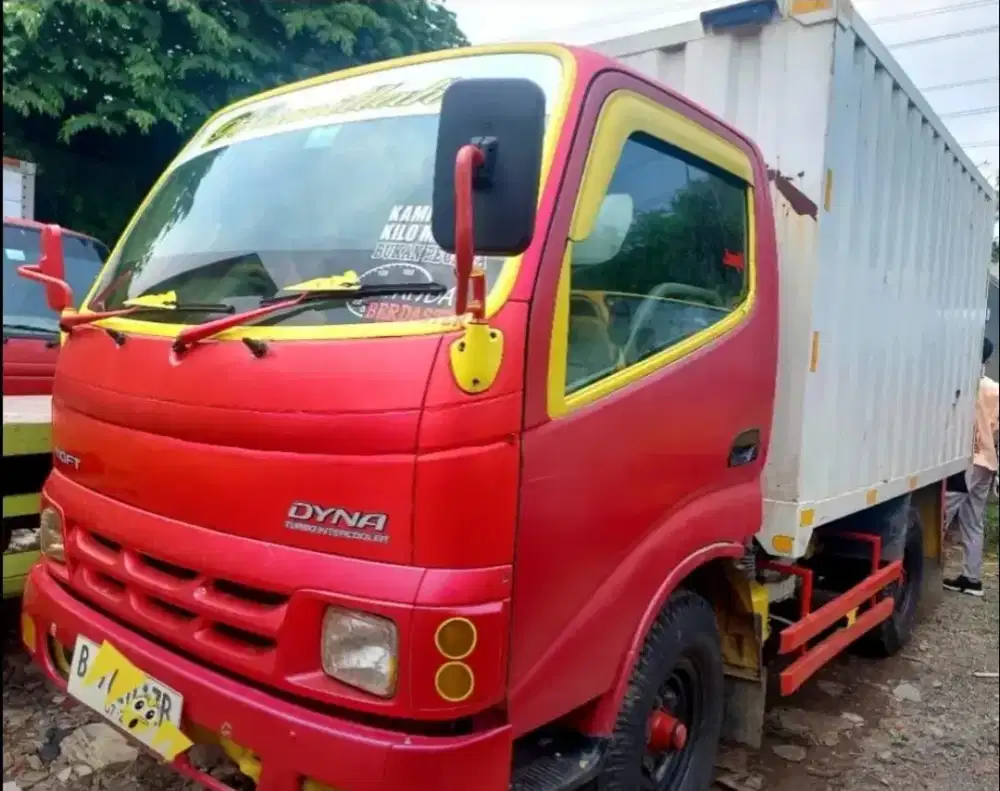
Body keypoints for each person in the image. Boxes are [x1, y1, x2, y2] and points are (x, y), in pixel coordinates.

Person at [944, 335, 998, 597]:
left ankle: (924, 568)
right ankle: (972, 579)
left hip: (968, 460)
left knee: (942, 511)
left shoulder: (967, 385)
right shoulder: (995, 389)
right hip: (987, 461)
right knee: (973, 521)